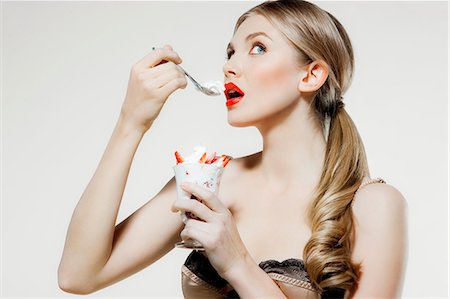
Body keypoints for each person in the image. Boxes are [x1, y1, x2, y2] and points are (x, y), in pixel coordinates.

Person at [58, 0, 408, 298]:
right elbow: (78, 275)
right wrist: (130, 124)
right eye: (230, 52)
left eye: (258, 47)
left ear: (311, 75)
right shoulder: (211, 181)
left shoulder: (373, 205)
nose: (229, 66)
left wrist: (238, 262)